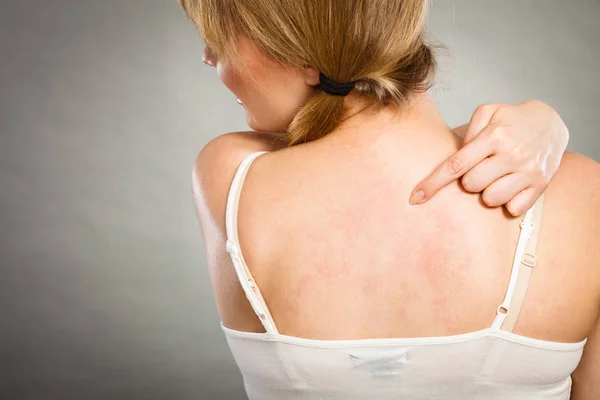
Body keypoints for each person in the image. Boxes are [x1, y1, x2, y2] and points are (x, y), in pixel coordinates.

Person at [181, 0, 600, 398]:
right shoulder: (582, 194)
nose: (207, 57)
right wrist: (546, 121)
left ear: (304, 56)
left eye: (221, 38)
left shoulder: (230, 175)